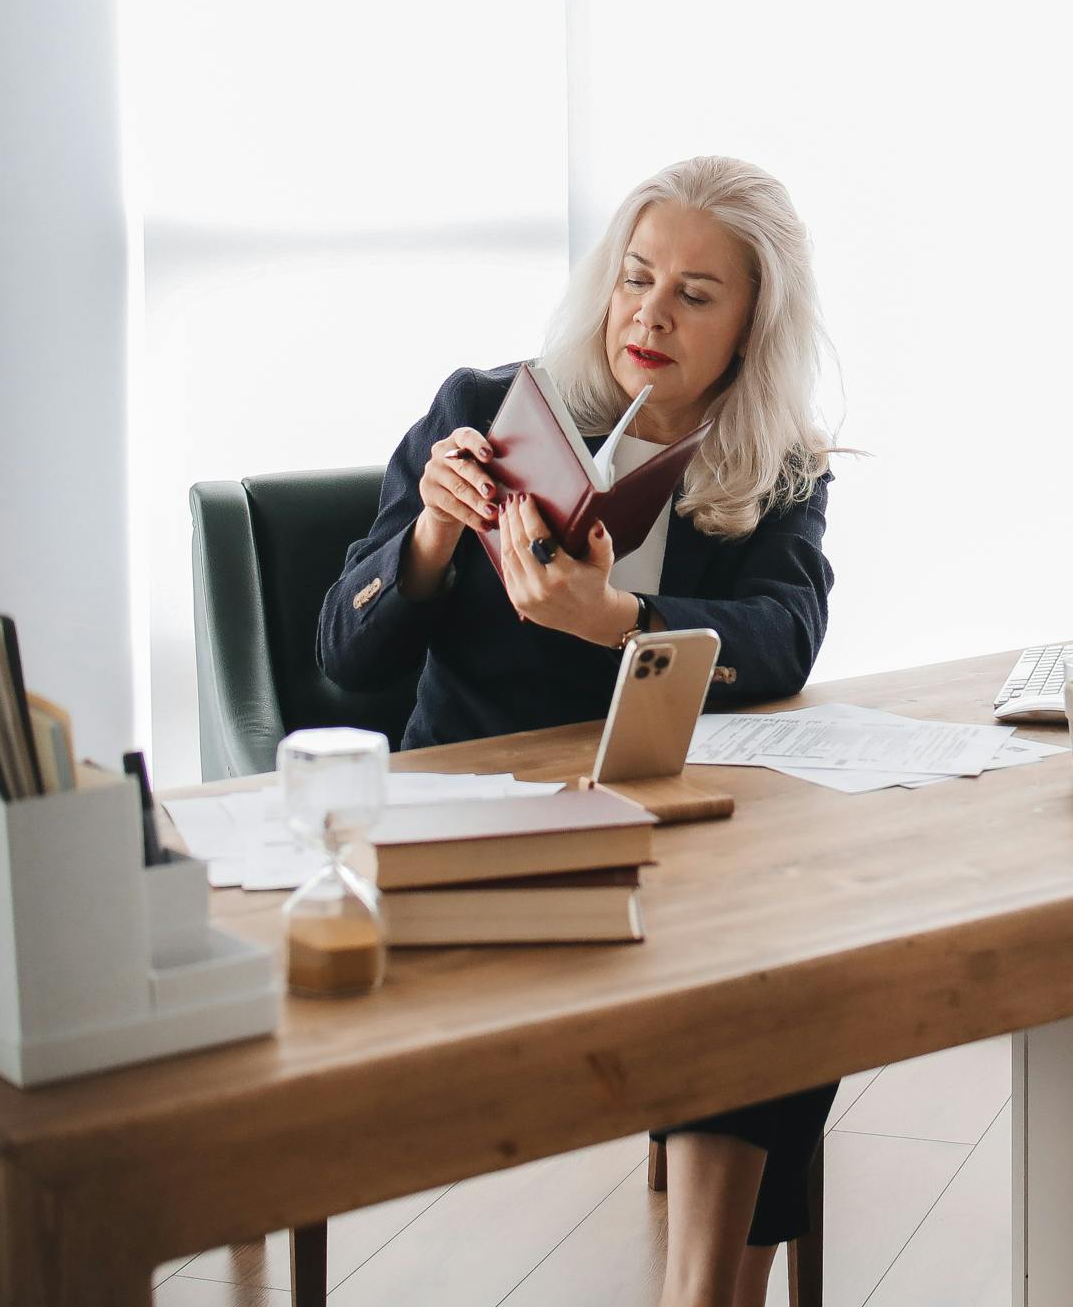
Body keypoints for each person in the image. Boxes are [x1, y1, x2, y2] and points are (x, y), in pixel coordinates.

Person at [318, 155, 839, 1307]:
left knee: (780, 948)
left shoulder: (778, 464)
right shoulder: (482, 410)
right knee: (720, 945)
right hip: (476, 812)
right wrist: (430, 543)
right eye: (636, 277)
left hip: (665, 819)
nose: (651, 312)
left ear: (753, 326)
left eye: (697, 294)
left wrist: (622, 622)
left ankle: (708, 1287)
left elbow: (787, 632)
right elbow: (343, 656)